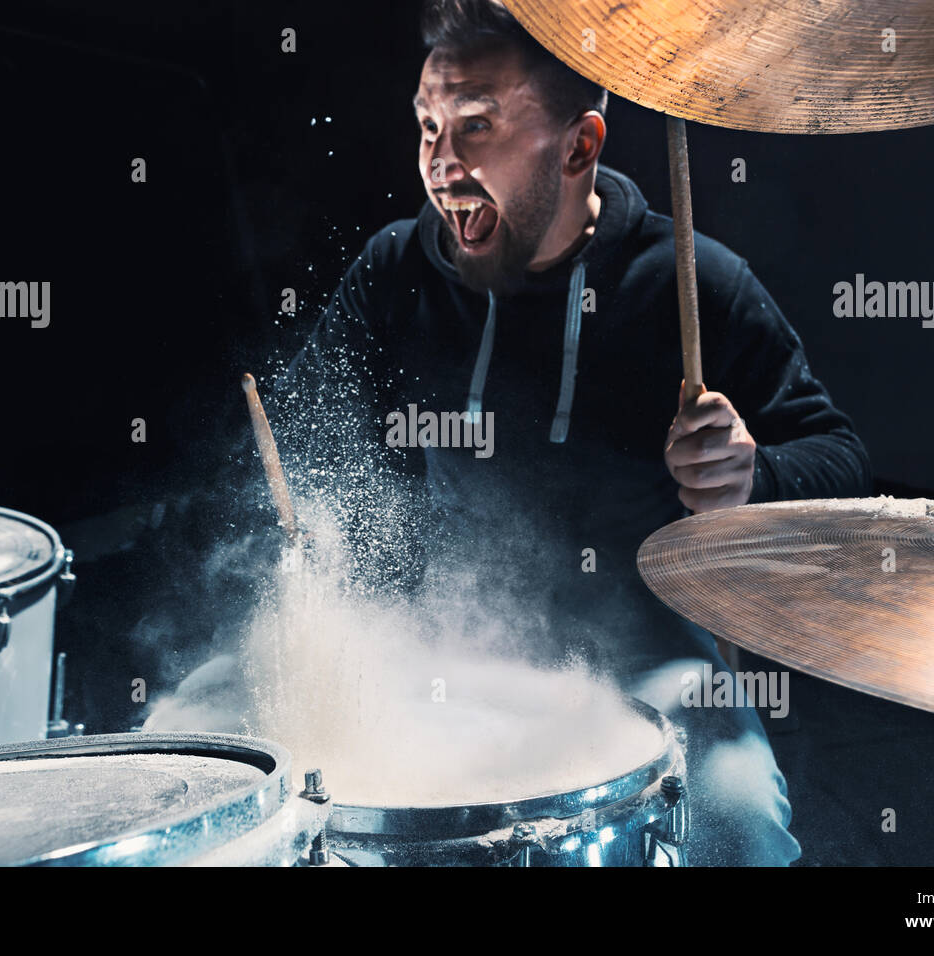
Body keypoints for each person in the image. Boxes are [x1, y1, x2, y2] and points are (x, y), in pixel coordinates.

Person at [278, 0, 872, 865]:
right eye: (427, 127)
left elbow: (844, 461)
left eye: (474, 128)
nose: (439, 166)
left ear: (579, 147)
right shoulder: (394, 270)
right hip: (448, 650)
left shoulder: (693, 281)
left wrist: (752, 476)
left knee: (739, 829)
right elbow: (305, 440)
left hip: (652, 656)